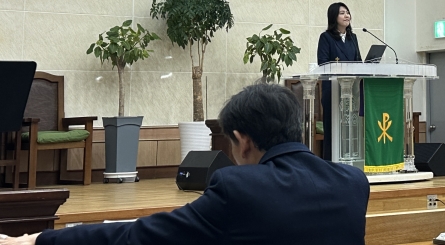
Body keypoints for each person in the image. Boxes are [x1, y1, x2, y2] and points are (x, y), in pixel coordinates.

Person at [3, 84, 369, 245]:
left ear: (242, 141)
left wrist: (40, 240)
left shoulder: (241, 189)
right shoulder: (353, 182)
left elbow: (139, 237)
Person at [317, 2, 362, 161]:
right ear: (333, 17)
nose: (346, 15)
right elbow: (323, 63)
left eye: (348, 12)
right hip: (333, 91)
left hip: (352, 92)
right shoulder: (326, 37)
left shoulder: (353, 38)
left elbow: (358, 62)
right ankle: (331, 163)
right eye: (342, 13)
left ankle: (351, 161)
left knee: (351, 129)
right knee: (333, 129)